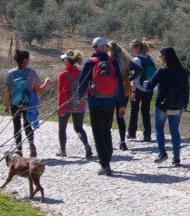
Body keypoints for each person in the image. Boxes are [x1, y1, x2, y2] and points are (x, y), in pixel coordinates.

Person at [76, 37, 127, 175]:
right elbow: (120, 84)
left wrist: (80, 97)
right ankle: (107, 158)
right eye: (107, 46)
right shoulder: (113, 62)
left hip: (95, 102)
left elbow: (82, 83)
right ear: (102, 47)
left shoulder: (90, 63)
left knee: (97, 133)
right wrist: (121, 104)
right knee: (107, 130)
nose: (108, 49)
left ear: (95, 48)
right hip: (111, 101)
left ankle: (105, 165)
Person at [144, 45, 189, 165]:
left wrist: (144, 83)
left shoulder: (162, 70)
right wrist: (184, 104)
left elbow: (150, 86)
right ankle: (177, 158)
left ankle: (162, 153)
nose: (160, 58)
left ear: (165, 57)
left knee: (159, 129)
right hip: (177, 105)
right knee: (175, 131)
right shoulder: (183, 71)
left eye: (160, 55)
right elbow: (186, 89)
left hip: (162, 105)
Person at [2, 49, 45, 159]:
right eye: (28, 58)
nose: (29, 60)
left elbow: (7, 92)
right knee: (27, 124)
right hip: (27, 103)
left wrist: (6, 106)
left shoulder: (11, 73)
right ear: (25, 60)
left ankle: (19, 150)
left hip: (14, 104)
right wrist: (47, 83)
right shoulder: (31, 73)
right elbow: (38, 90)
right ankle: (31, 144)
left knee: (16, 126)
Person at [54, 50, 92, 158]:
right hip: (80, 105)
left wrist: (60, 108)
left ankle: (62, 150)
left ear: (67, 60)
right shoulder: (81, 73)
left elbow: (61, 93)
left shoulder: (62, 75)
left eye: (63, 59)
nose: (63, 60)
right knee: (79, 128)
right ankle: (86, 144)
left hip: (66, 105)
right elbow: (87, 89)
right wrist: (82, 99)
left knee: (62, 128)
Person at [127, 39, 157, 143]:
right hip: (149, 88)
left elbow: (134, 78)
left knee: (134, 111)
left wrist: (133, 92)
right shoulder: (151, 58)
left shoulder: (136, 60)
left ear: (137, 48)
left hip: (138, 88)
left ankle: (132, 133)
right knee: (146, 111)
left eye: (132, 47)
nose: (130, 50)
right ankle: (147, 134)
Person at [108, 40, 132, 152]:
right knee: (120, 117)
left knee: (108, 117)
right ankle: (122, 142)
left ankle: (107, 142)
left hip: (112, 91)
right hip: (125, 91)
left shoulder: (110, 61)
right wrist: (129, 79)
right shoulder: (125, 59)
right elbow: (139, 69)